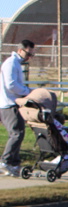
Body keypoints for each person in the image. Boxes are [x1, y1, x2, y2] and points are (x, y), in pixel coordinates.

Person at [0, 39, 35, 176]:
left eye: (32, 55)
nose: (29, 57)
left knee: (18, 134)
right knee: (17, 134)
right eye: (28, 54)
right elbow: (11, 85)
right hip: (9, 104)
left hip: (13, 103)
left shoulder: (15, 63)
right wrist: (27, 92)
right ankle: (6, 162)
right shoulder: (11, 63)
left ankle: (14, 164)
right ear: (20, 50)